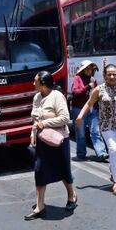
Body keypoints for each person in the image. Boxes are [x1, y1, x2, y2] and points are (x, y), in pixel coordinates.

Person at [75, 64, 116, 196]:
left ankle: (113, 168)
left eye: (114, 74)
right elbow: (89, 103)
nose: (112, 76)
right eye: (109, 74)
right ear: (104, 75)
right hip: (106, 126)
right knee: (114, 149)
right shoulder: (99, 89)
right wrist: (80, 116)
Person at [25, 71, 77, 221]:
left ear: (43, 84)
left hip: (59, 140)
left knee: (63, 170)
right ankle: (39, 205)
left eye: (35, 81)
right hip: (42, 139)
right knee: (39, 170)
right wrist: (33, 133)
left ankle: (71, 195)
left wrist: (45, 123)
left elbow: (65, 118)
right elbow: (36, 119)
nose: (33, 84)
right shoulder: (37, 97)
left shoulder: (57, 96)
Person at [70, 60, 107, 162]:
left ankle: (102, 153)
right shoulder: (77, 78)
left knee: (95, 131)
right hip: (79, 109)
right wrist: (88, 87)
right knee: (81, 133)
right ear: (83, 69)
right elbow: (75, 92)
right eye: (87, 68)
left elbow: (95, 94)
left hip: (92, 109)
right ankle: (81, 154)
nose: (89, 70)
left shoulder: (93, 80)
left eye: (91, 68)